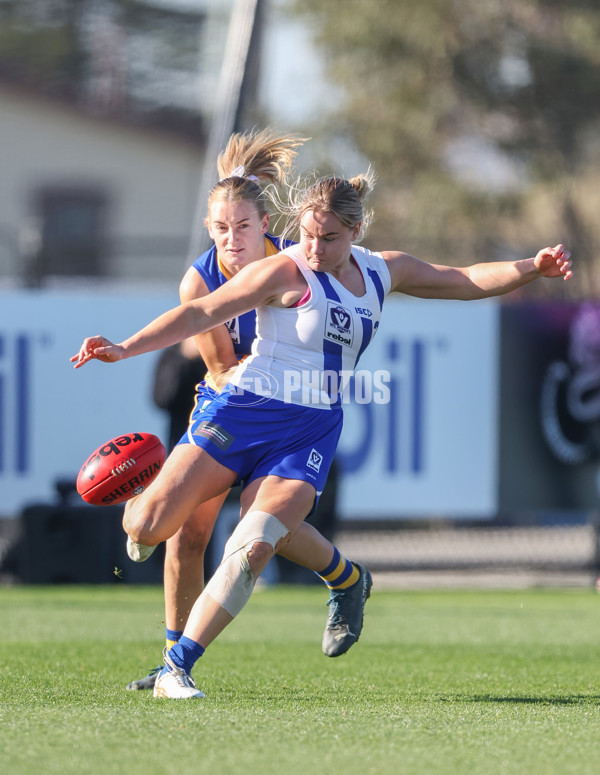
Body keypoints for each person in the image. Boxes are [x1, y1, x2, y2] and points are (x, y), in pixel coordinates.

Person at [72, 168, 572, 699]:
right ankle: (346, 578)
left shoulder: (384, 271)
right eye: (307, 233)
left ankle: (177, 667)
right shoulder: (283, 270)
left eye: (328, 238)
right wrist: (125, 347)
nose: (313, 247)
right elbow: (201, 310)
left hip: (309, 430)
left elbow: (464, 278)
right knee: (150, 528)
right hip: (241, 411)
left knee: (255, 540)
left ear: (355, 233)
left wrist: (530, 269)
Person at [123, 130, 372, 692]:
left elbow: (349, 301)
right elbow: (220, 367)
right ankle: (170, 653)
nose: (231, 239)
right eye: (219, 228)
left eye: (242, 226)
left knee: (266, 529)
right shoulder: (201, 278)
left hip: (295, 413)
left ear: (265, 225)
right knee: (189, 534)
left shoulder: (296, 258)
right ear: (209, 230)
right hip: (232, 402)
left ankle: (178, 664)